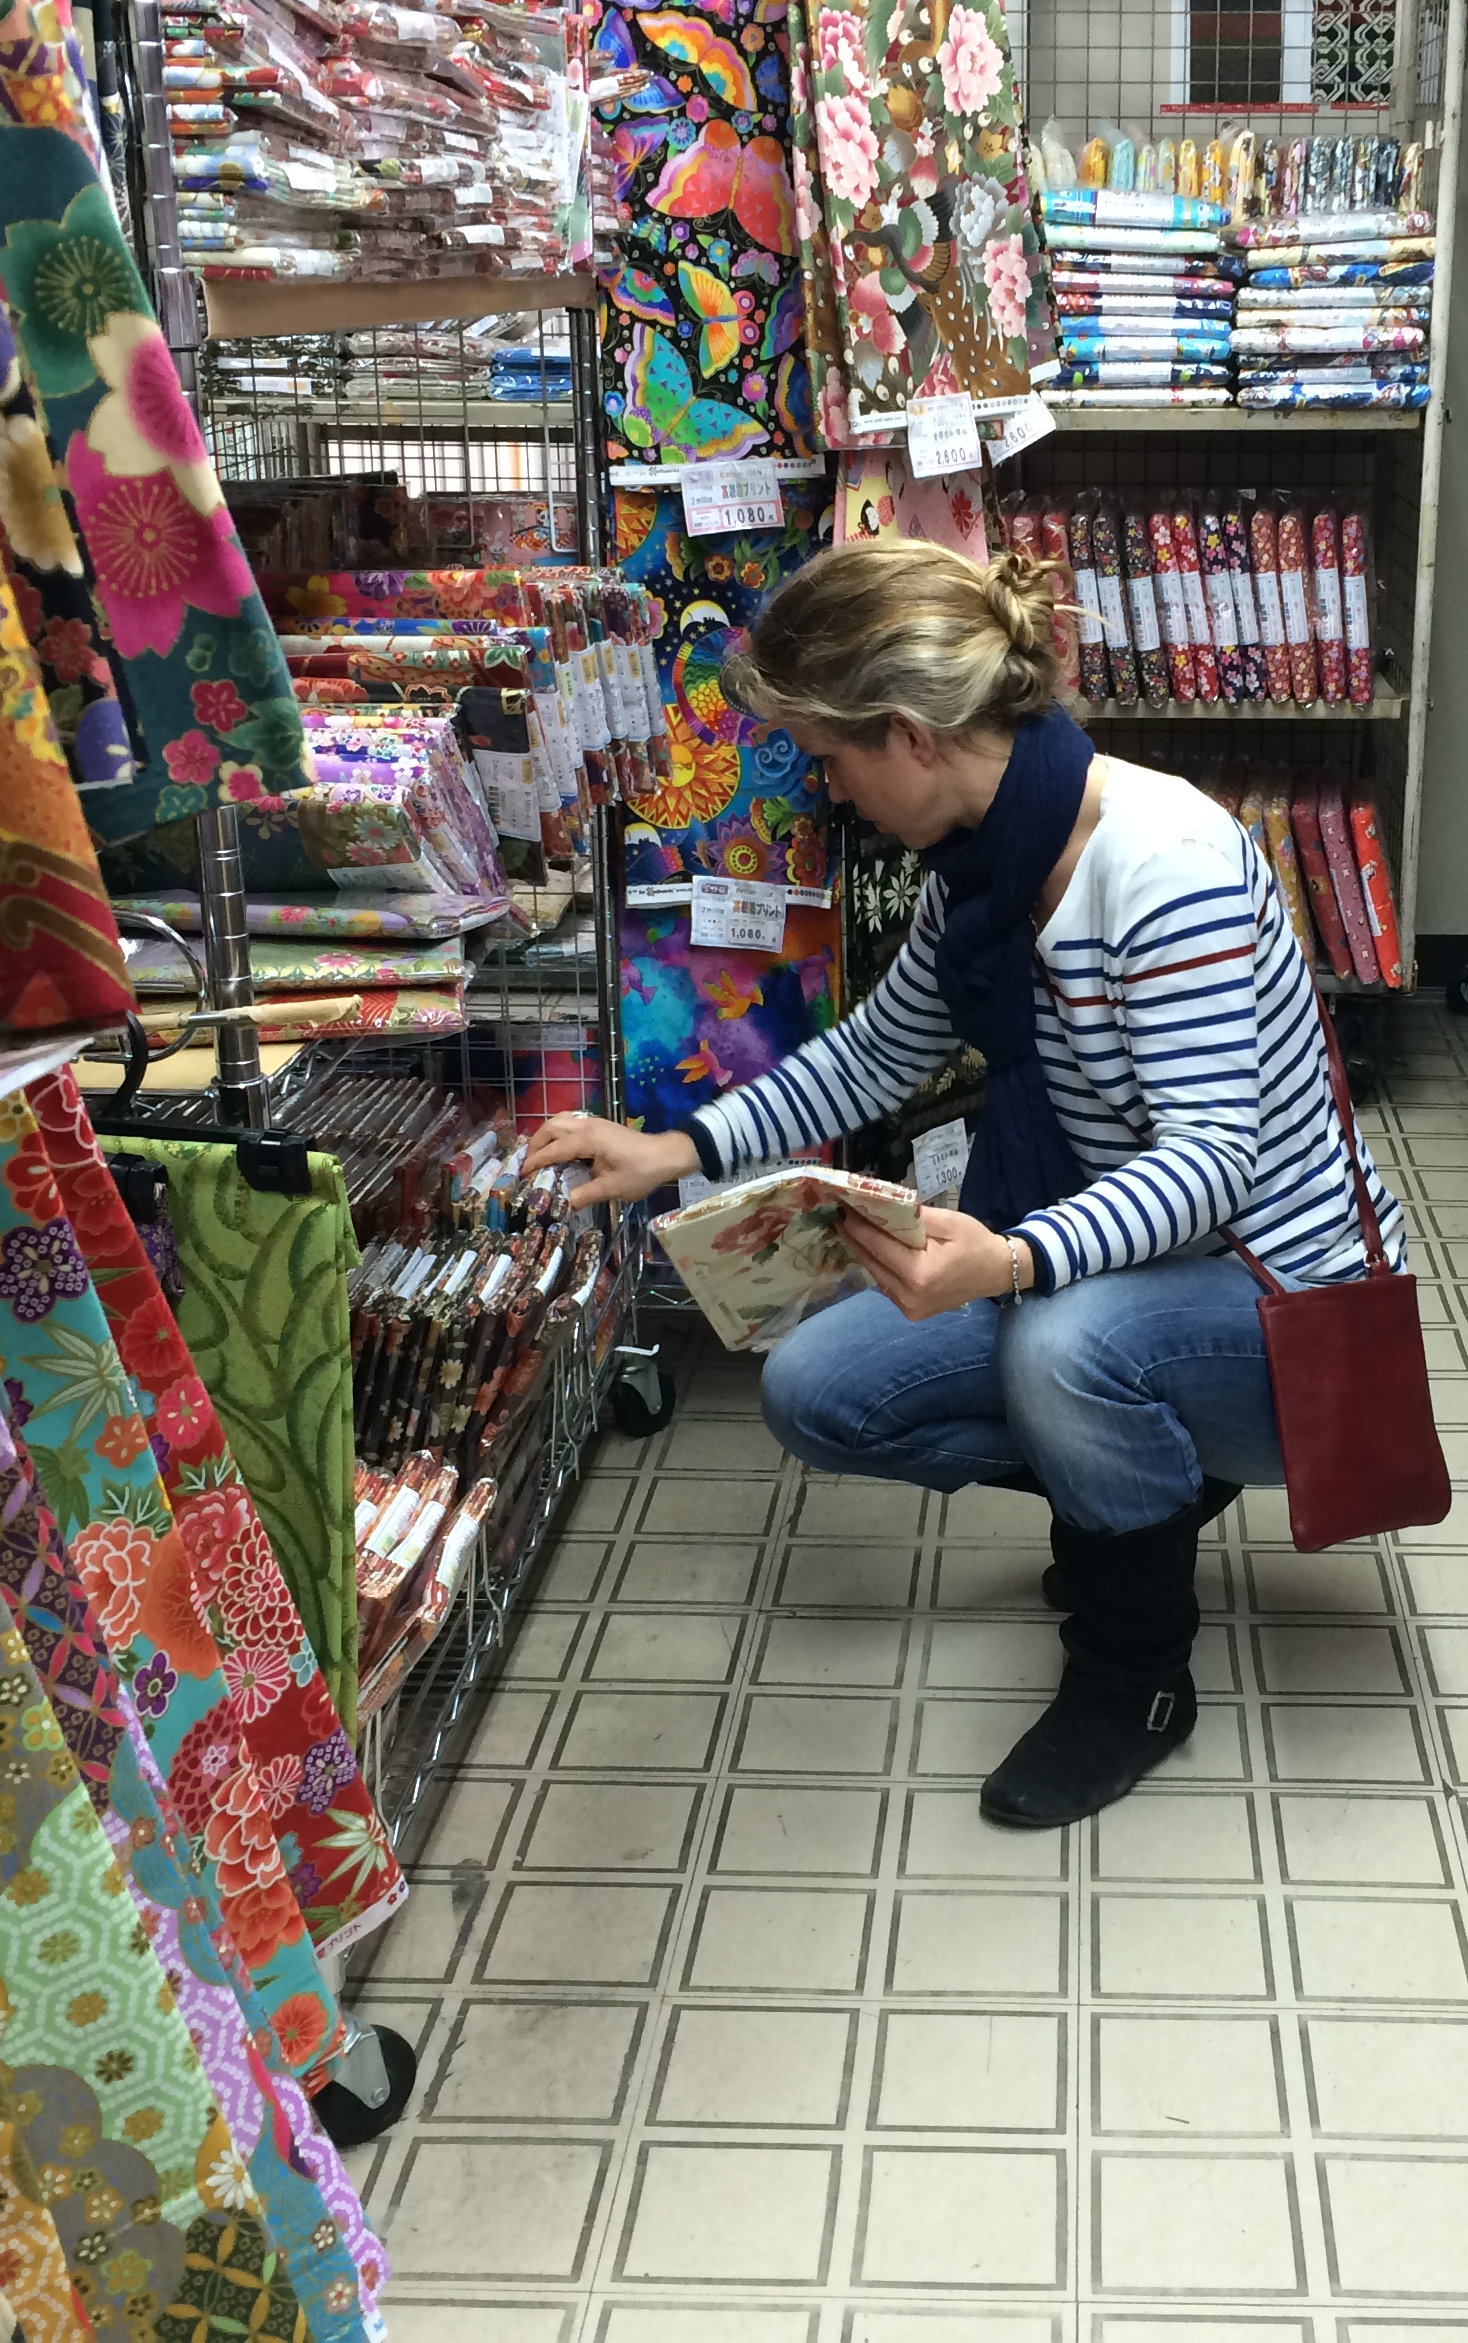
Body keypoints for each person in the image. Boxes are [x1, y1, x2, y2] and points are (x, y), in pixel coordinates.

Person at [526, 537, 1406, 1828]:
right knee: (818, 1391)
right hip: (1121, 1260)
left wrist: (1012, 1258)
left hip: (1278, 1297)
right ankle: (1142, 1487)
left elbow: (1215, 1162)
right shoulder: (987, 864)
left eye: (830, 759)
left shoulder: (1164, 864)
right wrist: (679, 1149)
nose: (828, 790)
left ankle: (1135, 1674)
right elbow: (883, 1052)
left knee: (1062, 1340)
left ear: (909, 736)